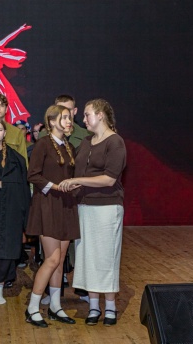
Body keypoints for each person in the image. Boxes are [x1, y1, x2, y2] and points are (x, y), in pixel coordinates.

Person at [58, 99, 126, 327]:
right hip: (84, 206)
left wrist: (76, 180)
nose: (83, 119)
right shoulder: (86, 142)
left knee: (106, 257)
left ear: (100, 116)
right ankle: (94, 307)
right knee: (87, 257)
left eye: (87, 115)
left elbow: (109, 179)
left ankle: (111, 307)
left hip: (107, 207)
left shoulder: (115, 142)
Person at [25, 105, 80, 327]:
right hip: (47, 204)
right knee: (52, 259)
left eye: (69, 118)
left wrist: (75, 185)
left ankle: (56, 306)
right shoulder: (43, 144)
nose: (68, 121)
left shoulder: (69, 146)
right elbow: (33, 175)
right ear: (52, 121)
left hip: (66, 206)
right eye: (64, 118)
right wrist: (55, 186)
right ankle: (32, 307)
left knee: (61, 260)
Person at [0, 119, 30, 305]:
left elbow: (24, 189)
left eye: (0, 130)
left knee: (7, 249)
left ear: (5, 133)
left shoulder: (16, 159)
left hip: (11, 209)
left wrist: (26, 219)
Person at [0, 94, 29, 165]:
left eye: (2, 105)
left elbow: (23, 161)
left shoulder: (17, 132)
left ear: (6, 109)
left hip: (11, 170)